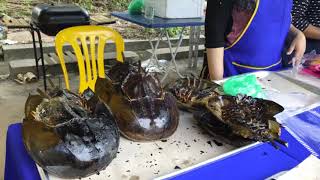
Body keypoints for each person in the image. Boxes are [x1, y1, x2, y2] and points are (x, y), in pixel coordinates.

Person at [203, 0, 306, 80]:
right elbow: (214, 33)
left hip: (273, 75)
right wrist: (219, 82)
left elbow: (277, 17)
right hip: (233, 74)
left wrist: (296, 33)